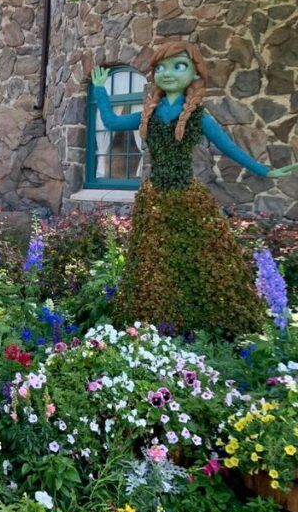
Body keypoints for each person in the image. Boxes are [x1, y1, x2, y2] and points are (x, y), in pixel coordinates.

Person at [90, 41, 296, 335]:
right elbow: (111, 122)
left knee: (203, 257)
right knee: (153, 260)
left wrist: (265, 170)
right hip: (154, 200)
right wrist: (100, 89)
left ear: (194, 74)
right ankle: (152, 321)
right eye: (160, 67)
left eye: (179, 66)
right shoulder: (149, 114)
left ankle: (208, 324)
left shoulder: (199, 117)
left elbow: (228, 147)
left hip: (187, 198)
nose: (168, 73)